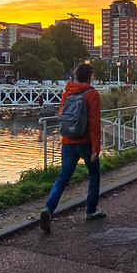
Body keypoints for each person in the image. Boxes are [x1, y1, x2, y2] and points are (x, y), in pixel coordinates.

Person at [39, 63, 103, 232]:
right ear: (90, 76)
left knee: (63, 178)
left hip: (68, 140)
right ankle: (91, 210)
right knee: (94, 175)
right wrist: (96, 148)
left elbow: (64, 115)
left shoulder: (67, 91)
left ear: (75, 76)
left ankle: (48, 209)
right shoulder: (92, 94)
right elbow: (95, 123)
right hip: (86, 142)